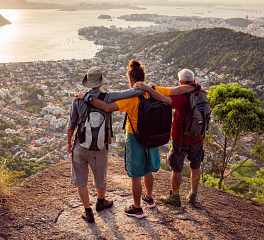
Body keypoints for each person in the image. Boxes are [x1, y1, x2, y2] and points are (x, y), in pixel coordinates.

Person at [78, 60, 196, 218]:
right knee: (148, 170)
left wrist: (87, 97)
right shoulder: (153, 91)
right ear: (143, 77)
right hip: (152, 136)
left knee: (135, 175)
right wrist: (197, 87)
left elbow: (106, 107)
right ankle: (149, 198)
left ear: (130, 80)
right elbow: (179, 90)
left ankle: (137, 208)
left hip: (135, 137)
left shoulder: (131, 98)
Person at [67, 66, 144, 223]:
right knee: (100, 178)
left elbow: (71, 124)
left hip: (80, 146)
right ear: (101, 83)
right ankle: (101, 202)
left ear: (87, 83)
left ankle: (88, 211)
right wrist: (146, 87)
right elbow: (133, 93)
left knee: (81, 181)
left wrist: (69, 142)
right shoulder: (108, 97)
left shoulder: (78, 99)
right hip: (100, 147)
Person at [134, 68, 204, 206]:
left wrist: (149, 89)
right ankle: (193, 196)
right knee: (195, 167)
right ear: (194, 81)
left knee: (177, 168)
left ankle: (175, 197)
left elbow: (164, 99)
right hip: (198, 137)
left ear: (180, 82)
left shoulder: (182, 98)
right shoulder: (202, 93)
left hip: (181, 139)